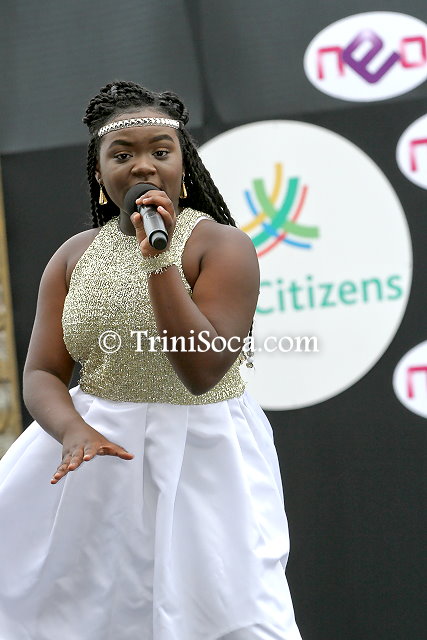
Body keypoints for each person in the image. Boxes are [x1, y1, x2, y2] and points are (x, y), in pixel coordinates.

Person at [0, 81, 302, 640]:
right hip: (100, 454)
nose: (143, 165)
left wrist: (158, 263)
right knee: (91, 617)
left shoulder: (221, 245)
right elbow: (42, 372)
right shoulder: (71, 256)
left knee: (231, 616)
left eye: (161, 151)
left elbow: (201, 369)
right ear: (99, 173)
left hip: (205, 454)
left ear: (182, 165)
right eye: (122, 155)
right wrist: (71, 430)